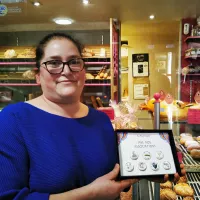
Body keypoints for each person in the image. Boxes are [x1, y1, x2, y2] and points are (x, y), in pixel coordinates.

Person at [0, 32, 185, 200]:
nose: (66, 70)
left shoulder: (100, 120)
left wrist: (157, 167)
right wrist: (91, 194)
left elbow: (112, 172)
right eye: (54, 63)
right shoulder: (13, 120)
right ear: (37, 76)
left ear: (83, 71)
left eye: (74, 61)